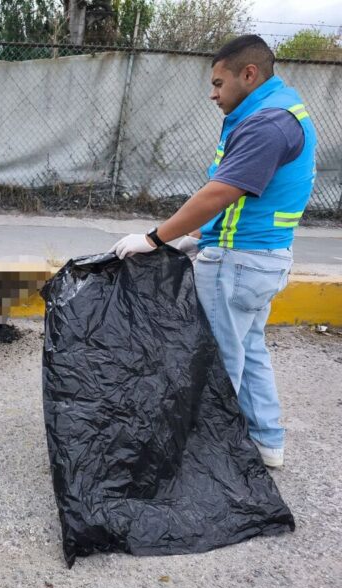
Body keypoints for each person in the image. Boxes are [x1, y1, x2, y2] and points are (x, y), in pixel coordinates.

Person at [109, 35, 317, 469]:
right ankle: (265, 443)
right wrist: (198, 235)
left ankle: (208, 462)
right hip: (262, 258)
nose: (213, 93)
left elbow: (221, 191)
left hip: (237, 262)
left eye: (219, 83)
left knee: (217, 362)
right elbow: (247, 200)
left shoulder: (266, 123)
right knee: (250, 348)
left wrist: (156, 238)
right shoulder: (282, 110)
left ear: (249, 74)